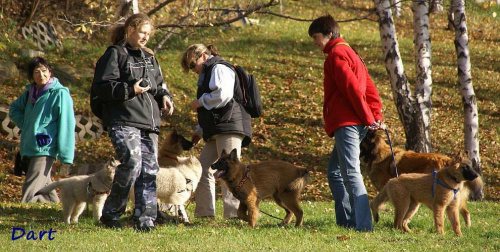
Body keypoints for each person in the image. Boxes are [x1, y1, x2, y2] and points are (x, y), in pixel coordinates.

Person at [92, 13, 174, 232]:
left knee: (150, 170)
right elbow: (102, 87)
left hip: (150, 122)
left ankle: (145, 220)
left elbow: (159, 86)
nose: (146, 37)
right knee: (132, 163)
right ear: (129, 30)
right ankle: (111, 215)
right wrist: (130, 89)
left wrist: (166, 98)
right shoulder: (115, 54)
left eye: (148, 33)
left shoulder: (150, 56)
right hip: (123, 119)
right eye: (142, 32)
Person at [308, 14, 384, 231]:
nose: (314, 42)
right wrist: (375, 114)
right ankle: (346, 221)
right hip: (354, 122)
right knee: (334, 171)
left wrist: (371, 118)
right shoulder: (351, 53)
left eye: (316, 37)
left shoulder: (337, 55)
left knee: (350, 173)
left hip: (347, 123)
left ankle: (363, 226)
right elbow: (369, 87)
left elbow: (352, 89)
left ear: (329, 34)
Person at [180, 44, 252, 219]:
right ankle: (205, 215)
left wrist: (200, 101)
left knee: (231, 171)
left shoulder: (219, 67)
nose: (193, 70)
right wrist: (200, 130)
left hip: (229, 126)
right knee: (203, 168)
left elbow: (223, 96)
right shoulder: (208, 72)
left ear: (203, 56)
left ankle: (235, 215)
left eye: (192, 65)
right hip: (216, 129)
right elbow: (212, 109)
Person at [9, 57, 75, 203]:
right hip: (29, 145)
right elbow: (14, 109)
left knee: (31, 186)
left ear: (50, 72)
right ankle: (55, 208)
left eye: (44, 71)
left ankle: (22, 211)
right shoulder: (29, 93)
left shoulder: (60, 93)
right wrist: (28, 126)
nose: (41, 75)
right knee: (45, 187)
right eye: (36, 72)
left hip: (45, 147)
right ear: (31, 76)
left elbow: (67, 124)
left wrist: (66, 155)